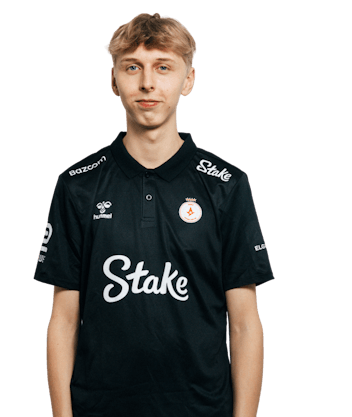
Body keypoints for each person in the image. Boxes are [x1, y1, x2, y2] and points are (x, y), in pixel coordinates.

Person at [34, 12, 274, 417]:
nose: (147, 83)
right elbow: (64, 319)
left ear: (188, 79)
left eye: (163, 67)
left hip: (202, 408)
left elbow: (245, 322)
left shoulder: (226, 185)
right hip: (100, 407)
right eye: (133, 67)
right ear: (114, 80)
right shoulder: (77, 185)